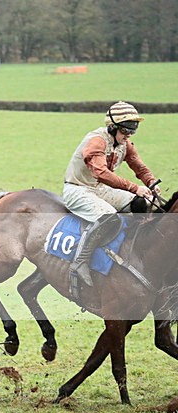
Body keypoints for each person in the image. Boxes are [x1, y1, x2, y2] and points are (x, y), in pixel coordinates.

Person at [62, 101, 160, 287]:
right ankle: (79, 262)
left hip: (100, 189)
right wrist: (134, 187)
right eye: (125, 131)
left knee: (142, 204)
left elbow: (137, 164)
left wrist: (151, 182)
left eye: (132, 131)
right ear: (113, 127)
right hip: (77, 189)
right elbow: (101, 173)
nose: (128, 136)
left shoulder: (124, 143)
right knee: (109, 217)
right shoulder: (96, 141)